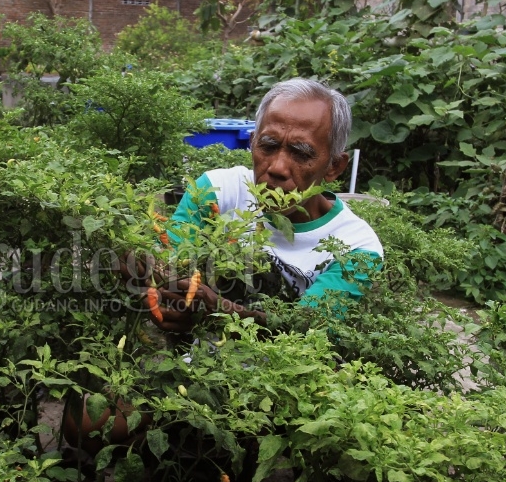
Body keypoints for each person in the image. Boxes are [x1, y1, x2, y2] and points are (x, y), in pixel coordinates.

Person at [148, 78, 383, 332]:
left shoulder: (358, 247)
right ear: (252, 142)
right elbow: (168, 265)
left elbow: (310, 331)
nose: (277, 168)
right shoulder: (216, 190)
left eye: (301, 153)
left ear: (334, 166)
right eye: (268, 146)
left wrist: (219, 310)